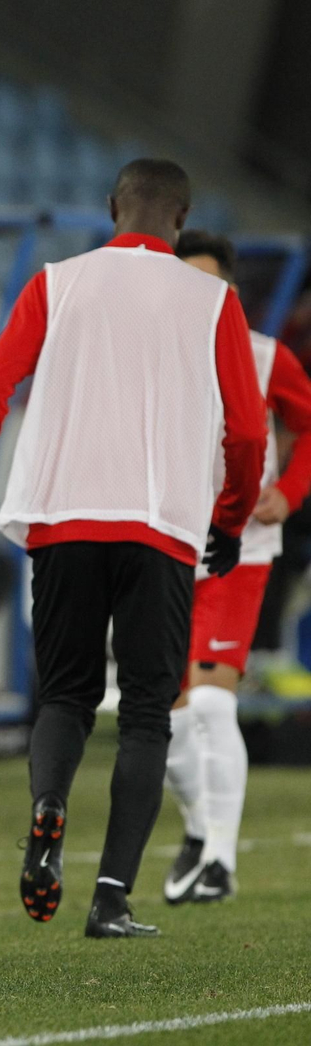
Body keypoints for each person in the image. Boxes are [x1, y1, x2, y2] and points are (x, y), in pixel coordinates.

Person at [0, 159, 266, 939]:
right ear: (180, 220)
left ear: (113, 207)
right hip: (162, 527)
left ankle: (49, 808)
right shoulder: (213, 298)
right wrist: (229, 517)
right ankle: (111, 895)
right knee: (148, 713)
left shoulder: (58, 281)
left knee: (65, 695)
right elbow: (246, 432)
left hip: (63, 519)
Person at [162, 231, 311, 904]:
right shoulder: (148, 357)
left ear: (230, 292)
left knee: (214, 705)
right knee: (164, 721)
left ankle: (220, 856)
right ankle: (199, 829)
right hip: (159, 549)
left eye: (209, 285)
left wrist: (293, 489)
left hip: (240, 549)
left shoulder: (263, 356)